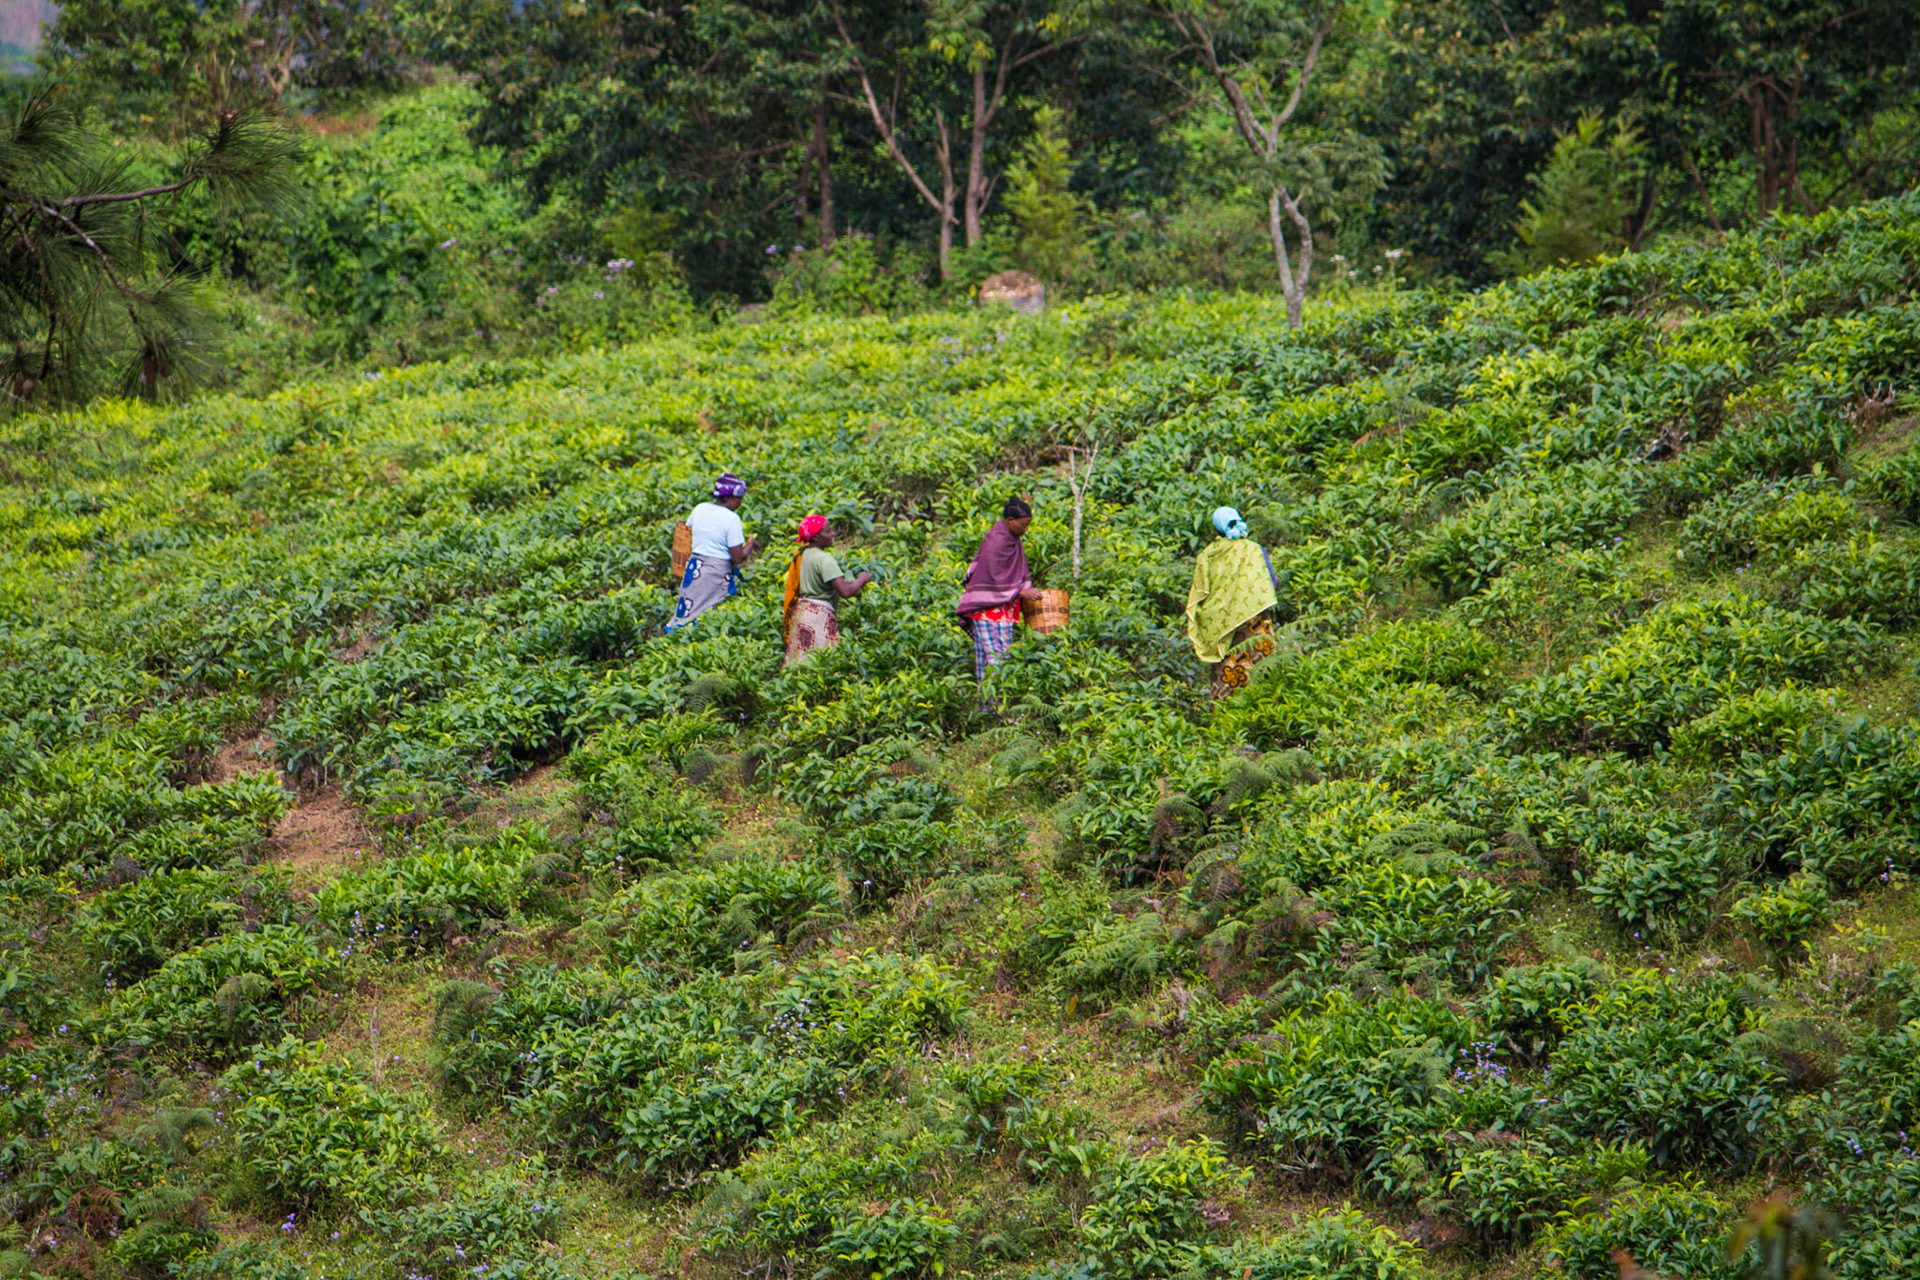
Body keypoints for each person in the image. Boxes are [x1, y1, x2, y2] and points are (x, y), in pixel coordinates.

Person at [1186, 506, 1278, 698]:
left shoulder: (1208, 555)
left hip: (1222, 625)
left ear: (1216, 529)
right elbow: (1271, 583)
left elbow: (1201, 591)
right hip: (1255, 623)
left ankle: (1223, 711)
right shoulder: (1254, 549)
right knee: (1259, 671)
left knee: (1226, 671)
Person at [955, 497, 1043, 685]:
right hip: (989, 612)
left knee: (987, 662)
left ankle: (986, 703)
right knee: (999, 660)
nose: (1026, 530)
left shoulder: (1010, 538)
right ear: (1011, 521)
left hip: (994, 611)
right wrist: (1020, 591)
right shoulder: (998, 541)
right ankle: (995, 701)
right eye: (1024, 525)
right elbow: (992, 576)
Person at [668, 473, 758, 630]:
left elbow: (687, 534)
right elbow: (737, 558)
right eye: (739, 499)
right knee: (710, 618)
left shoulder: (700, 508)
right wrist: (749, 544)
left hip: (694, 569)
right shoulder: (731, 519)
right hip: (715, 574)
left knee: (688, 609)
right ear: (731, 498)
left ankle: (673, 635)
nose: (740, 502)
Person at [783, 513, 872, 664]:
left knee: (801, 664)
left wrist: (847, 583)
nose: (833, 534)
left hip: (802, 614)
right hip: (819, 617)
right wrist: (861, 580)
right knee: (824, 663)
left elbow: (823, 583)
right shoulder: (825, 559)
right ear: (816, 537)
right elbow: (845, 592)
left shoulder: (804, 554)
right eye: (828, 531)